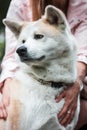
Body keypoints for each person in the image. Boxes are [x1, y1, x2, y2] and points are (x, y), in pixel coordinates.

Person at [0, 0, 87, 129]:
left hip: (75, 78)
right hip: (32, 79)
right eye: (23, 41)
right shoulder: (20, 2)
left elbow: (84, 51)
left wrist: (76, 83)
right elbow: (12, 54)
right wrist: (7, 84)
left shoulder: (82, 3)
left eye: (39, 36)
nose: (23, 47)